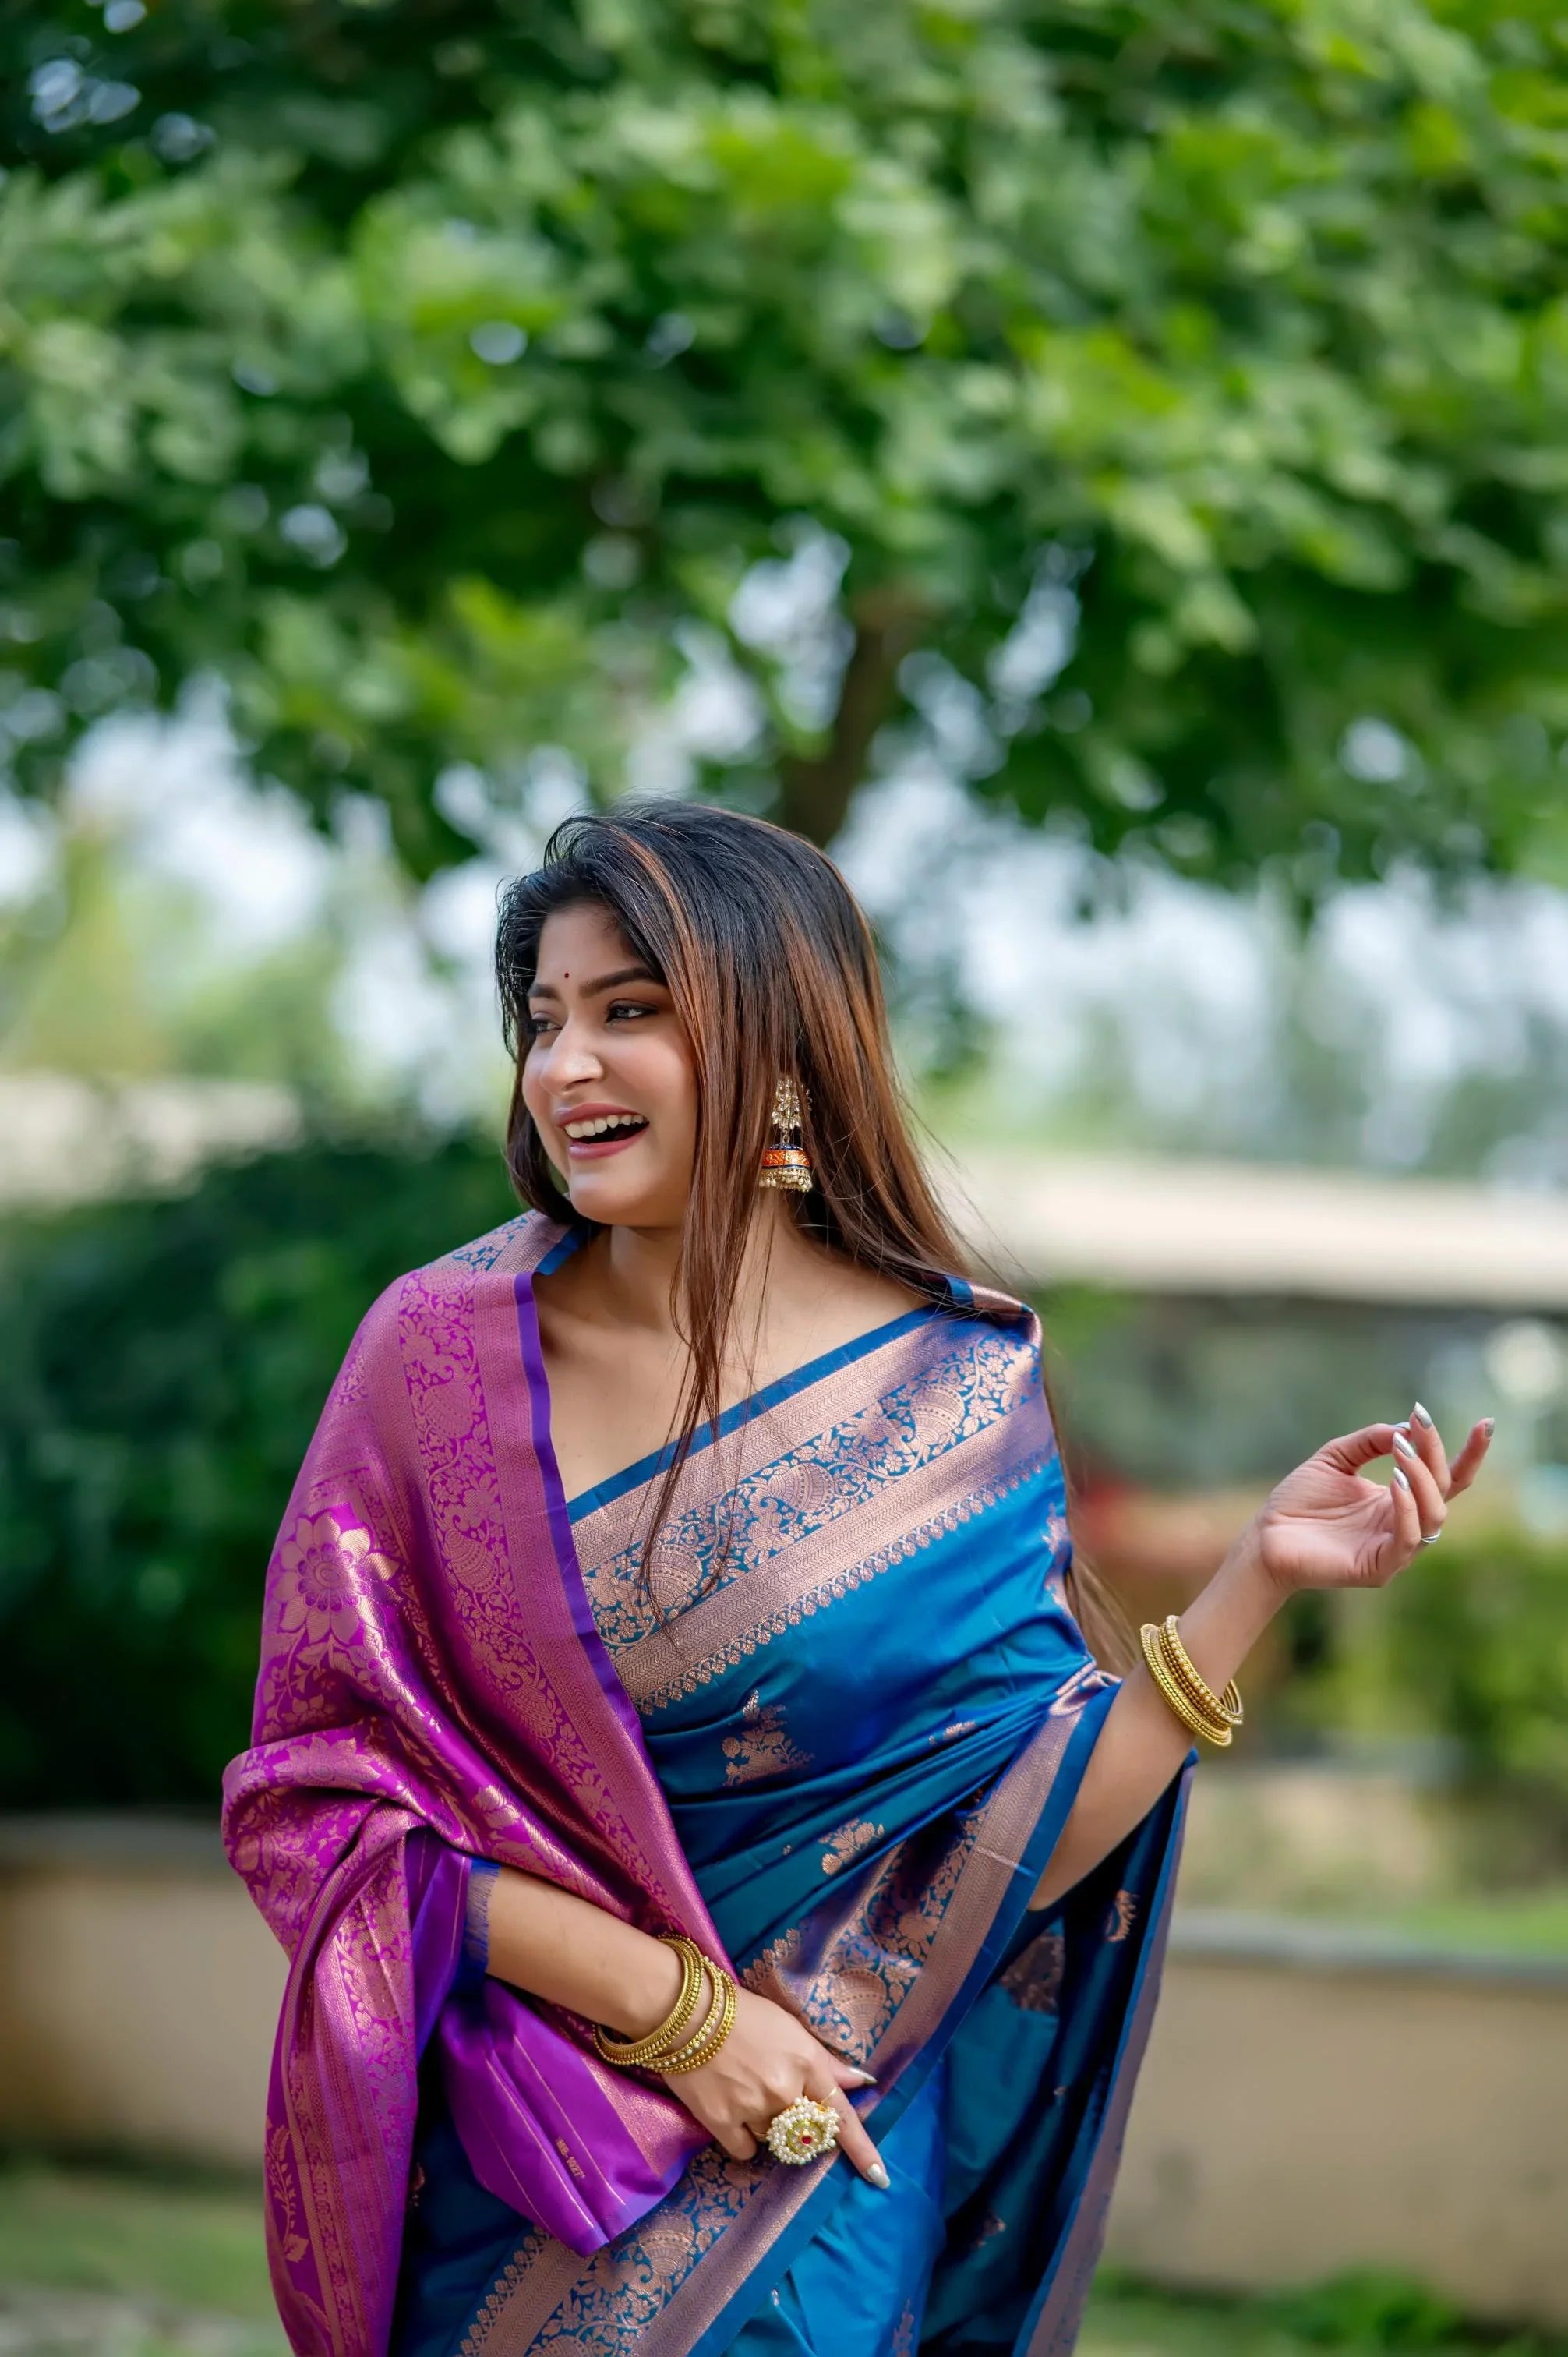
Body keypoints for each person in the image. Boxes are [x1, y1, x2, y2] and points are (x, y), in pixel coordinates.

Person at [223, 804, 1492, 2357]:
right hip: (529, 2174)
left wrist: (1252, 1584)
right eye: (544, 1018)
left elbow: (1008, 1822)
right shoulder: (439, 1362)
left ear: (779, 1039)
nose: (564, 1068)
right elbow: (317, 1805)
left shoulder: (951, 1390)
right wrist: (677, 2016)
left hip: (814, 2179)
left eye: (631, 1012)